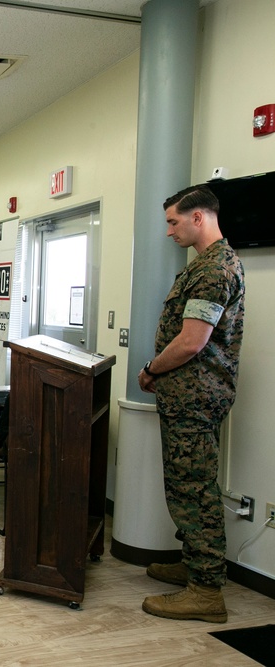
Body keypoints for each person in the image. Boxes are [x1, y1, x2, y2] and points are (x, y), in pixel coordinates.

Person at [137, 185, 245, 624]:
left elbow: (191, 341)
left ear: (198, 217)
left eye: (173, 221)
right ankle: (195, 564)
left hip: (195, 398)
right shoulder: (204, 265)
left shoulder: (216, 269)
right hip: (186, 398)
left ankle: (205, 590)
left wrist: (151, 370)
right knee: (185, 485)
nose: (168, 231)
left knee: (195, 489)